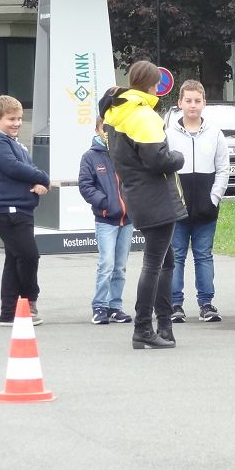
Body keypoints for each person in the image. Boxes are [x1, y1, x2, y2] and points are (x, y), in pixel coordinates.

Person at [100, 64, 187, 350]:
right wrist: (178, 157)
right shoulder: (143, 115)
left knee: (165, 261)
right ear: (153, 85)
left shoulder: (117, 112)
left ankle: (164, 326)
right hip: (156, 196)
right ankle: (143, 328)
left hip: (136, 193)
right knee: (154, 264)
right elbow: (158, 160)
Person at [0, 95, 50, 326]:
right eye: (11, 119)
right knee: (29, 256)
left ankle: (8, 313)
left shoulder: (14, 143)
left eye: (19, 118)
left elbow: (28, 167)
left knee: (14, 258)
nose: (17, 123)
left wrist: (38, 182)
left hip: (21, 208)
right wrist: (44, 178)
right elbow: (14, 168)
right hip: (6, 209)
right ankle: (28, 302)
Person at [165, 80, 230, 323]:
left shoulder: (215, 134)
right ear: (180, 103)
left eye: (197, 101)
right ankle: (175, 304)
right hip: (177, 209)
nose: (193, 105)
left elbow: (223, 169)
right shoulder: (168, 134)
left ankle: (206, 303)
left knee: (204, 255)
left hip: (206, 208)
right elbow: (164, 170)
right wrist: (172, 200)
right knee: (177, 255)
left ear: (204, 103)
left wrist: (214, 198)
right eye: (188, 101)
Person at [78, 117, 133, 325]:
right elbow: (86, 185)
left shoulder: (127, 153)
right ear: (97, 130)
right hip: (106, 220)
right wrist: (105, 203)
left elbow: (135, 180)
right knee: (107, 264)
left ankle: (115, 306)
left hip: (127, 220)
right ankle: (99, 306)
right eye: (105, 128)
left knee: (120, 267)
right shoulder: (90, 157)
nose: (110, 132)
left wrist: (132, 203)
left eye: (115, 128)